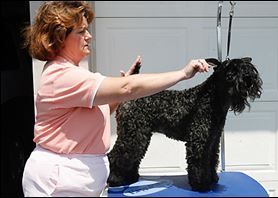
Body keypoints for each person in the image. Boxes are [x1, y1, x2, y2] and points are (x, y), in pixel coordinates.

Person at [21, 1, 210, 197]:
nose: (89, 36)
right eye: (81, 31)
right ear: (60, 37)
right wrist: (182, 74)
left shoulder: (70, 73)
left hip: (74, 182)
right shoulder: (62, 76)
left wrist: (118, 94)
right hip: (59, 182)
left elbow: (99, 112)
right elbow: (128, 88)